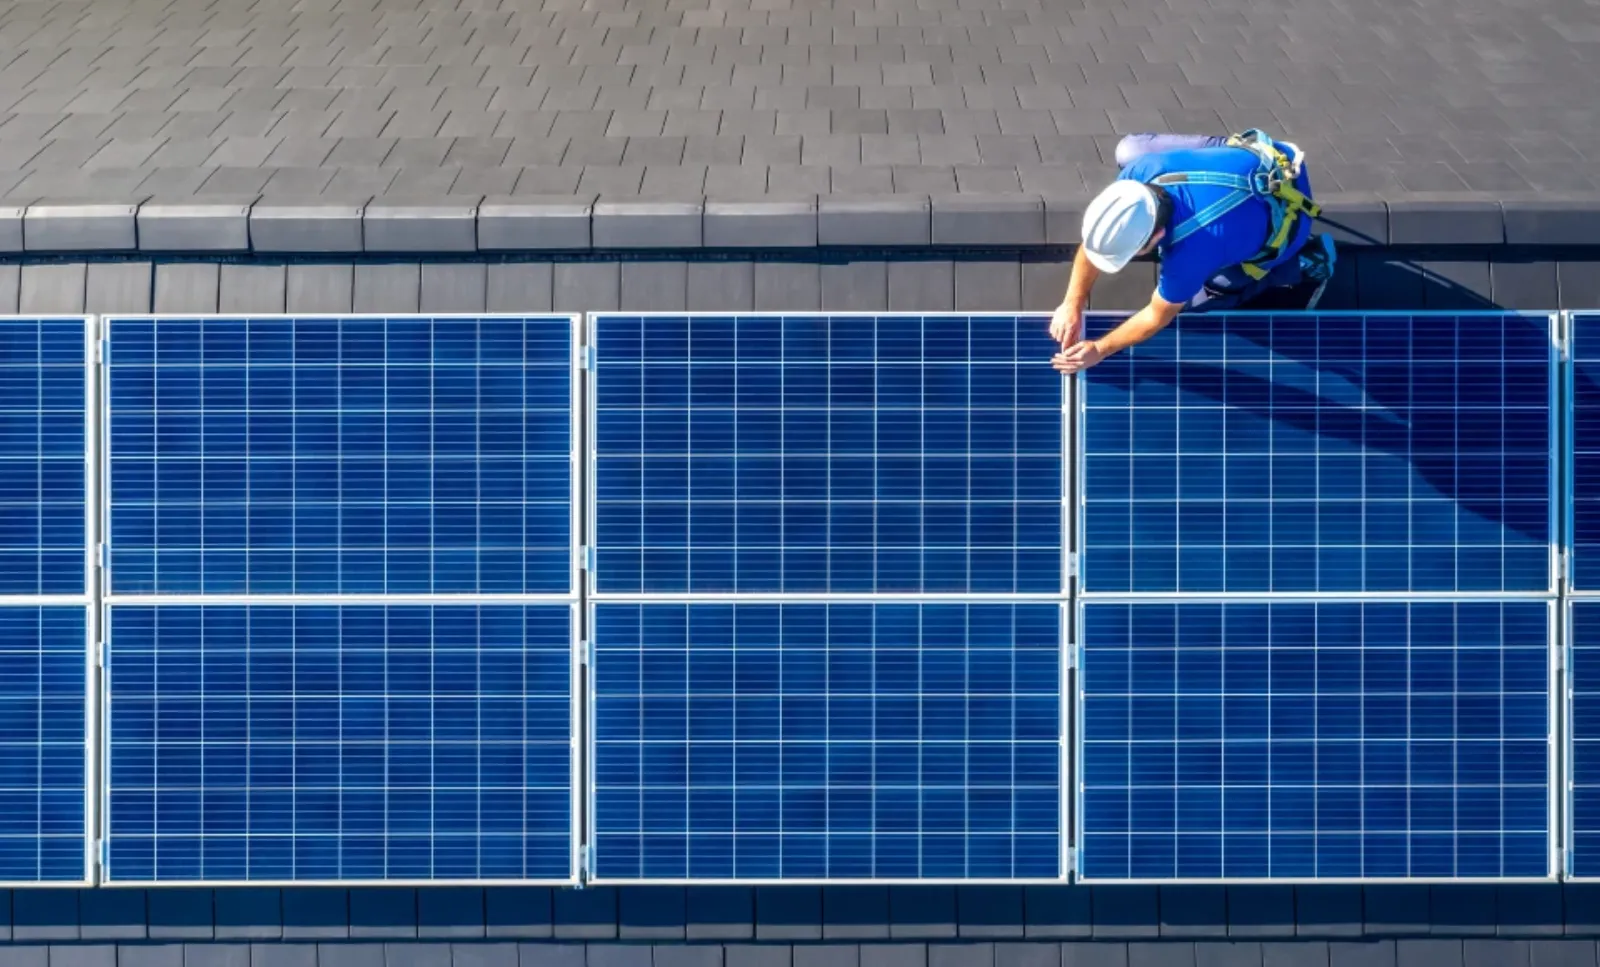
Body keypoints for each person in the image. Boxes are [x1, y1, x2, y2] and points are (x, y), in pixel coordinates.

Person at [1049, 130, 1338, 375]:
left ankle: (1305, 263)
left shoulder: (1192, 254)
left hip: (1290, 215)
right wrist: (1071, 304)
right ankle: (1225, 161)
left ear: (1159, 235)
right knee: (1128, 148)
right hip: (1266, 156)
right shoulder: (1138, 175)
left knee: (1204, 297)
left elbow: (1155, 316)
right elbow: (1096, 242)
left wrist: (1101, 349)